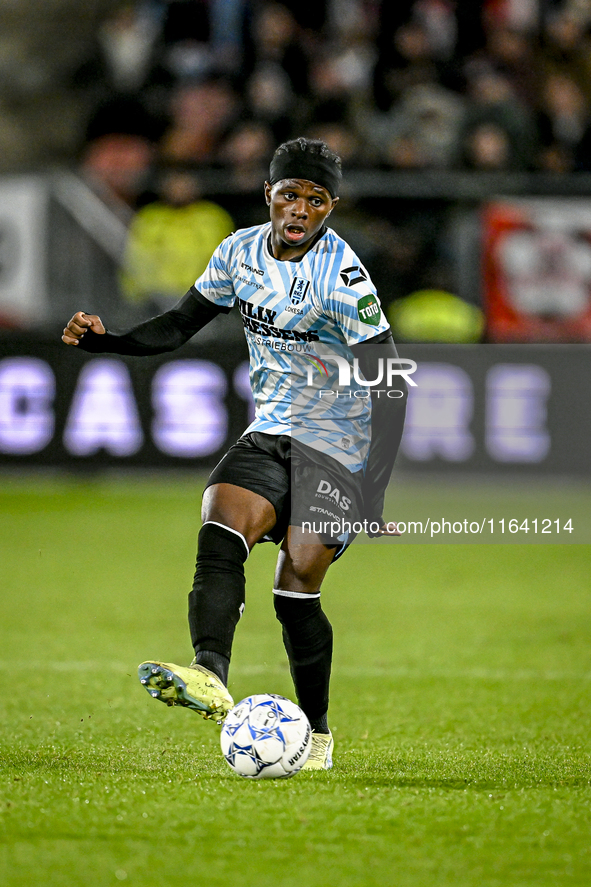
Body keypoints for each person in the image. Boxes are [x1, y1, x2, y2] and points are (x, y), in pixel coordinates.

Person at [62, 137, 407, 770]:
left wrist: (373, 486)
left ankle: (319, 737)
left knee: (295, 587)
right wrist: (106, 344)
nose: (301, 210)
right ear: (268, 195)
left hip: (337, 445)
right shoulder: (238, 253)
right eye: (290, 195)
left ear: (332, 207)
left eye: (316, 200)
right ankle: (209, 674)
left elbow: (388, 384)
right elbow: (177, 324)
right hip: (270, 430)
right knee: (220, 521)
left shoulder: (344, 278)